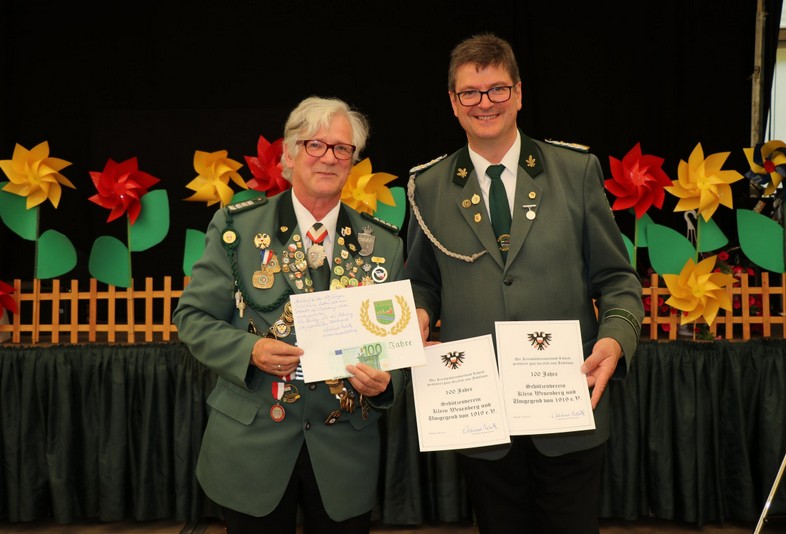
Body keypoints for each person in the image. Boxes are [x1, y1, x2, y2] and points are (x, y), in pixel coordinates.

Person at [405, 33, 644, 533]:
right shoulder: (428, 186)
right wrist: (419, 315)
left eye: (497, 89)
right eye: (470, 92)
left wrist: (615, 339)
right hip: (478, 410)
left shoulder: (575, 171)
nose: (484, 103)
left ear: (518, 94)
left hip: (568, 401)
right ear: (452, 102)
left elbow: (617, 279)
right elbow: (422, 282)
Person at [173, 96, 408, 534]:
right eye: (315, 144)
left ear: (353, 161)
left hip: (344, 452)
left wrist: (386, 382)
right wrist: (250, 350)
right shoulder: (237, 228)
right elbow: (193, 318)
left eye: (342, 148)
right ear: (289, 154)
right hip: (253, 445)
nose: (329, 157)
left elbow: (396, 344)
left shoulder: (384, 245)